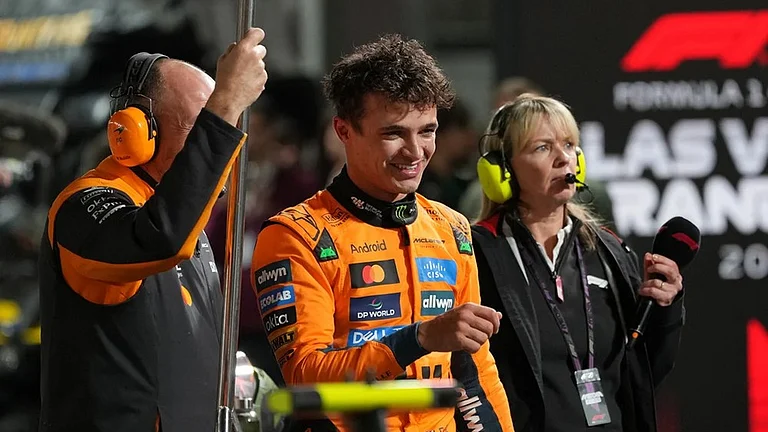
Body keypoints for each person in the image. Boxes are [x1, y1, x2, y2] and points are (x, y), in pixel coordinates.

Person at [251, 34, 514, 432]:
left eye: (427, 131)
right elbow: (306, 375)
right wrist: (419, 338)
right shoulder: (295, 235)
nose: (416, 151)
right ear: (344, 131)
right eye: (394, 133)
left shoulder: (452, 227)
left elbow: (476, 367)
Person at [37, 28, 269, 432]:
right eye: (205, 121)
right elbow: (158, 239)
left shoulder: (185, 219)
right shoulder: (82, 205)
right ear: (137, 130)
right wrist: (228, 100)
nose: (223, 139)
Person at [470, 94, 685, 432]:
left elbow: (644, 371)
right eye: (542, 147)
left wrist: (666, 309)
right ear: (502, 168)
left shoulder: (609, 251)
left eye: (569, 145)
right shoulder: (477, 252)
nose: (563, 159)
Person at [417, 98, 477, 211]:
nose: (471, 139)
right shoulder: (416, 185)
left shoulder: (462, 187)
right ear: (441, 134)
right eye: (462, 129)